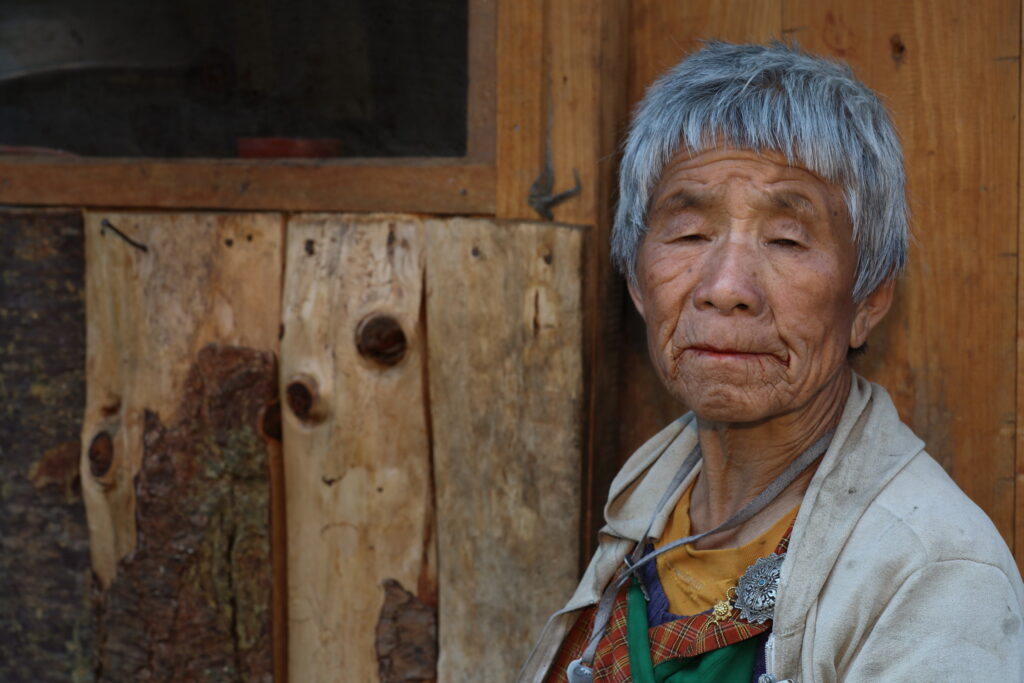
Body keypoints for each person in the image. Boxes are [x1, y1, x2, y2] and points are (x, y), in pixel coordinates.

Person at [518, 42, 1024, 682]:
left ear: (868, 299)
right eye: (690, 233)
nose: (726, 287)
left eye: (786, 240)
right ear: (637, 283)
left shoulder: (934, 575)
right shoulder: (645, 506)